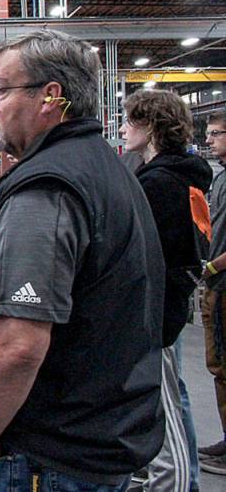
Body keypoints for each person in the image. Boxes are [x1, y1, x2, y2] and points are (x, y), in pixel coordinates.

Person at [0, 29, 165, 492]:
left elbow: (18, 344)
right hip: (91, 437)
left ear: (51, 96)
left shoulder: (46, 189)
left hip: (44, 453)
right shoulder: (103, 168)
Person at [120, 90, 211, 492]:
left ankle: (173, 482)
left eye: (130, 121)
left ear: (152, 126)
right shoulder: (179, 176)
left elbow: (155, 256)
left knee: (164, 410)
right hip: (165, 309)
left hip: (155, 313)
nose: (123, 129)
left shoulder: (160, 184)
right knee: (170, 398)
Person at [200, 111, 226, 475]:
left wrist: (211, 268)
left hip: (222, 283)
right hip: (216, 285)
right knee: (219, 368)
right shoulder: (219, 177)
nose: (208, 140)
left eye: (216, 133)